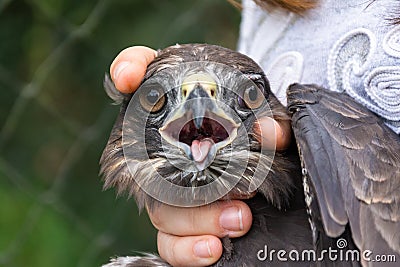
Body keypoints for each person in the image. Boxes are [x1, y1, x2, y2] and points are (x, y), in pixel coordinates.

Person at [109, 0, 400, 266]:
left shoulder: (328, 120)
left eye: (242, 96)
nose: (198, 99)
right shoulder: (259, 7)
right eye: (155, 100)